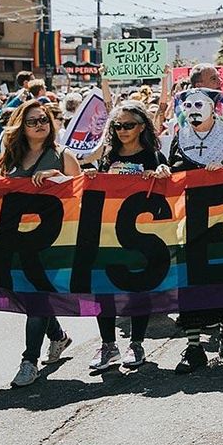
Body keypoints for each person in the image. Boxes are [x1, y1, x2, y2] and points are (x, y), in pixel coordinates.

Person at [0, 100, 81, 387]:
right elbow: (0, 191)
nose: (40, 124)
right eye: (32, 121)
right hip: (15, 241)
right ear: (21, 127)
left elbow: (84, 196)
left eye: (44, 119)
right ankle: (58, 336)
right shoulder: (11, 157)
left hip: (50, 243)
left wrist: (59, 177)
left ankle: (29, 361)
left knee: (37, 296)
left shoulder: (62, 155)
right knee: (28, 296)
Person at [169, 87, 223, 374]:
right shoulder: (179, 138)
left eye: (199, 104)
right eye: (187, 105)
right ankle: (194, 346)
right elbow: (173, 173)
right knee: (191, 280)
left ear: (213, 107)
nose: (192, 110)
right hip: (191, 221)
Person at [84, 102, 170, 372]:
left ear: (142, 127)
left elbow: (170, 195)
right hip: (109, 232)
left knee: (138, 289)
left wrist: (162, 176)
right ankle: (108, 345)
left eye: (128, 125)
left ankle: (136, 343)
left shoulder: (154, 157)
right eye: (117, 126)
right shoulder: (109, 156)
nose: (122, 130)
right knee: (104, 290)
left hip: (141, 235)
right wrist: (92, 176)